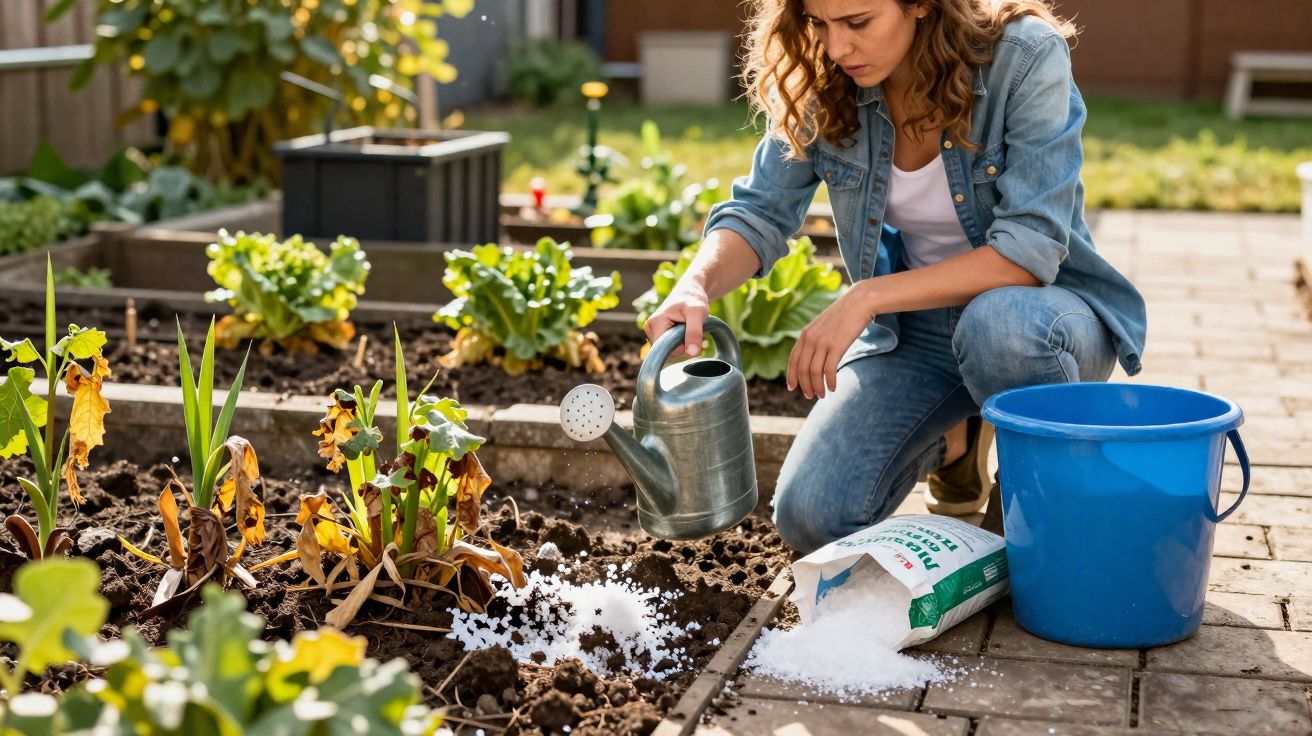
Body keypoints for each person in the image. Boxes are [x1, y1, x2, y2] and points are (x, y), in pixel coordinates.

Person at [641, 0, 1147, 553]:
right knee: (812, 517)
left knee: (998, 327)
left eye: (858, 23)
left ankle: (1038, 510)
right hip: (916, 333)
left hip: (1043, 321)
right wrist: (695, 283)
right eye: (819, 24)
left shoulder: (1022, 56)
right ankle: (958, 443)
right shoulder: (825, 75)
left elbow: (1029, 250)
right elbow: (761, 210)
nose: (837, 47)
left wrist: (868, 297)